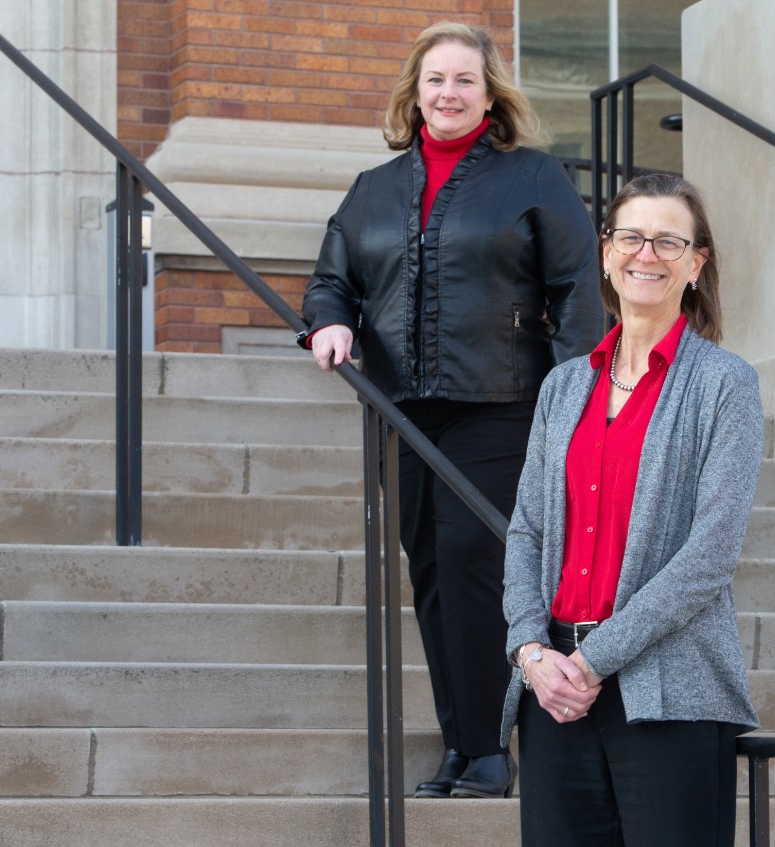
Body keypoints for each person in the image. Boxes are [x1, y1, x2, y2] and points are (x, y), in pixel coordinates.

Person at [298, 22, 604, 800]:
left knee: (478, 566)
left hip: (501, 408)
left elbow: (577, 292)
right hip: (401, 415)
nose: (449, 93)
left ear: (490, 93)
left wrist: (578, 399)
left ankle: (494, 748)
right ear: (415, 92)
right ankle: (465, 745)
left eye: (465, 79)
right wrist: (329, 320)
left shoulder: (532, 176)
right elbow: (332, 278)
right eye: (436, 79)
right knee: (432, 575)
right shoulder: (372, 189)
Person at [500, 173, 764, 845]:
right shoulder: (564, 385)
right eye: (631, 237)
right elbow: (526, 528)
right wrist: (531, 650)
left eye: (668, 241)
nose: (647, 254)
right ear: (607, 252)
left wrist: (595, 660)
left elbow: (710, 555)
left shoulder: (724, 384)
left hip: (669, 691)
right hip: (554, 692)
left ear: (697, 263)